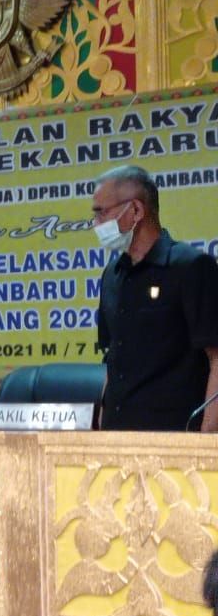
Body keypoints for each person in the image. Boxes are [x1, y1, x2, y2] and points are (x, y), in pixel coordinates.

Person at [92, 165, 218, 431]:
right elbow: (113, 358)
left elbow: (216, 357)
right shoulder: (112, 275)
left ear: (136, 210)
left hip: (173, 437)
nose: (96, 223)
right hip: (116, 436)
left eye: (102, 212)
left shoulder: (191, 267)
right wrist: (102, 428)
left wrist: (207, 437)